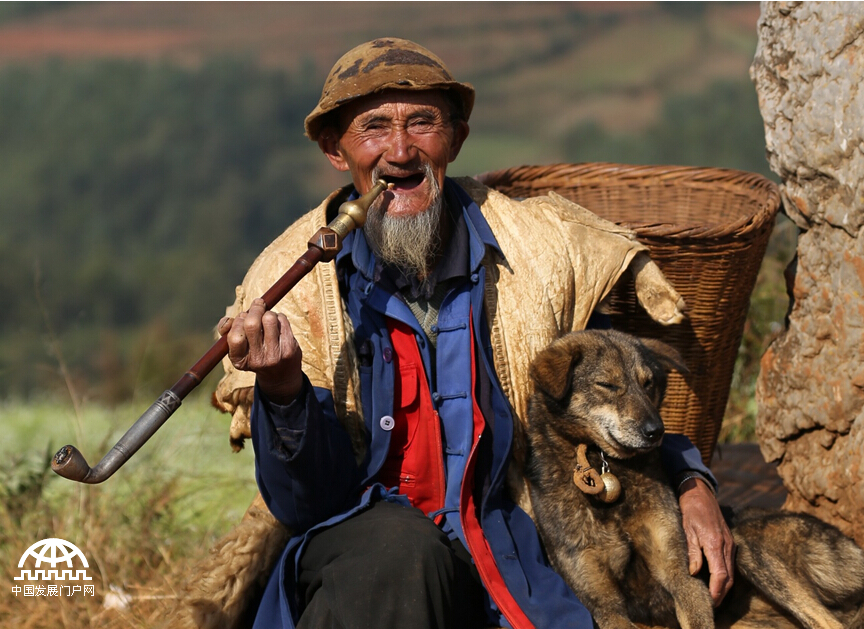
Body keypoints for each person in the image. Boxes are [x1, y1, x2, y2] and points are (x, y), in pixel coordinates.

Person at [214, 38, 735, 629]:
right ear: (337, 151)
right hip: (368, 568)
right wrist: (284, 389)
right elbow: (305, 503)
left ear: (456, 140)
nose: (400, 151)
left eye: (422, 123)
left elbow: (612, 390)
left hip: (513, 549)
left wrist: (691, 482)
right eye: (374, 128)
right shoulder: (297, 282)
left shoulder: (538, 254)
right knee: (397, 553)